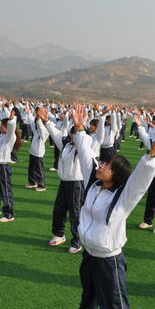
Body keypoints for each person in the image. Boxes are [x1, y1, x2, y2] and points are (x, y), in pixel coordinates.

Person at [71, 105, 155, 309]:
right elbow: (84, 153)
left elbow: (140, 181)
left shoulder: (123, 197)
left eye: (107, 165)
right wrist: (80, 127)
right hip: (89, 257)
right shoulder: (93, 185)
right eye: (102, 162)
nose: (100, 165)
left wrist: (151, 155)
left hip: (109, 261)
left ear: (117, 174)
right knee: (86, 304)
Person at [41, 107, 86, 253]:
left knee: (76, 213)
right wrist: (47, 121)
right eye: (72, 135)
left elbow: (83, 139)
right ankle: (59, 234)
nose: (73, 138)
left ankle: (77, 240)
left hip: (77, 183)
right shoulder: (66, 145)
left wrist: (80, 128)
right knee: (59, 209)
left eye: (76, 135)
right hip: (64, 182)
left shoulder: (84, 147)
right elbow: (55, 133)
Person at [0, 107, 21, 222]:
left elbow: (11, 130)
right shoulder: (1, 135)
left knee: (6, 190)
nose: (0, 126)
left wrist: (11, 120)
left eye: (3, 125)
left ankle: (9, 214)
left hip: (3, 167)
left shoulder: (9, 137)